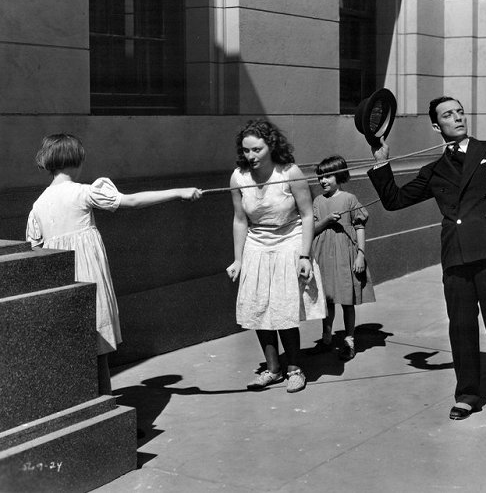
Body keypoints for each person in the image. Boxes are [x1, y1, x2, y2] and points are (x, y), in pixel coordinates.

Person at [367, 96, 486, 428]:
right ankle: (468, 395)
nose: (457, 118)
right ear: (435, 126)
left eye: (459, 112)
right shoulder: (434, 170)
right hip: (455, 255)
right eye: (447, 115)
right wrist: (381, 163)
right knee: (461, 328)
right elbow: (395, 200)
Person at [26, 133, 202, 395]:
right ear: (76, 160)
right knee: (97, 342)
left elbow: (35, 248)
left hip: (61, 279)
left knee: (75, 346)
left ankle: (91, 409)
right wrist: (179, 192)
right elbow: (130, 201)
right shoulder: (82, 192)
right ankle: (106, 409)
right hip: (87, 274)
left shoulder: (38, 205)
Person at [226, 119, 326, 393]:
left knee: (283, 308)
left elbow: (307, 216)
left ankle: (294, 369)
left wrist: (304, 256)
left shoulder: (290, 172)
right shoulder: (238, 177)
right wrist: (238, 259)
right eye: (246, 151)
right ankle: (273, 370)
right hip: (257, 243)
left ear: (271, 146)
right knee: (259, 307)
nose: (251, 156)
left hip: (290, 240)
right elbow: (240, 220)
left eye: (257, 149)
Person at [308, 155, 376, 360]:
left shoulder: (349, 199)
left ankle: (349, 340)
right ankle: (326, 338)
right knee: (326, 298)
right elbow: (311, 229)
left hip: (345, 253)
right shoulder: (318, 201)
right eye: (320, 177)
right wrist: (327, 220)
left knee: (347, 300)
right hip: (322, 253)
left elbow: (360, 227)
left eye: (327, 176)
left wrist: (360, 256)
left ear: (339, 176)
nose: (323, 181)